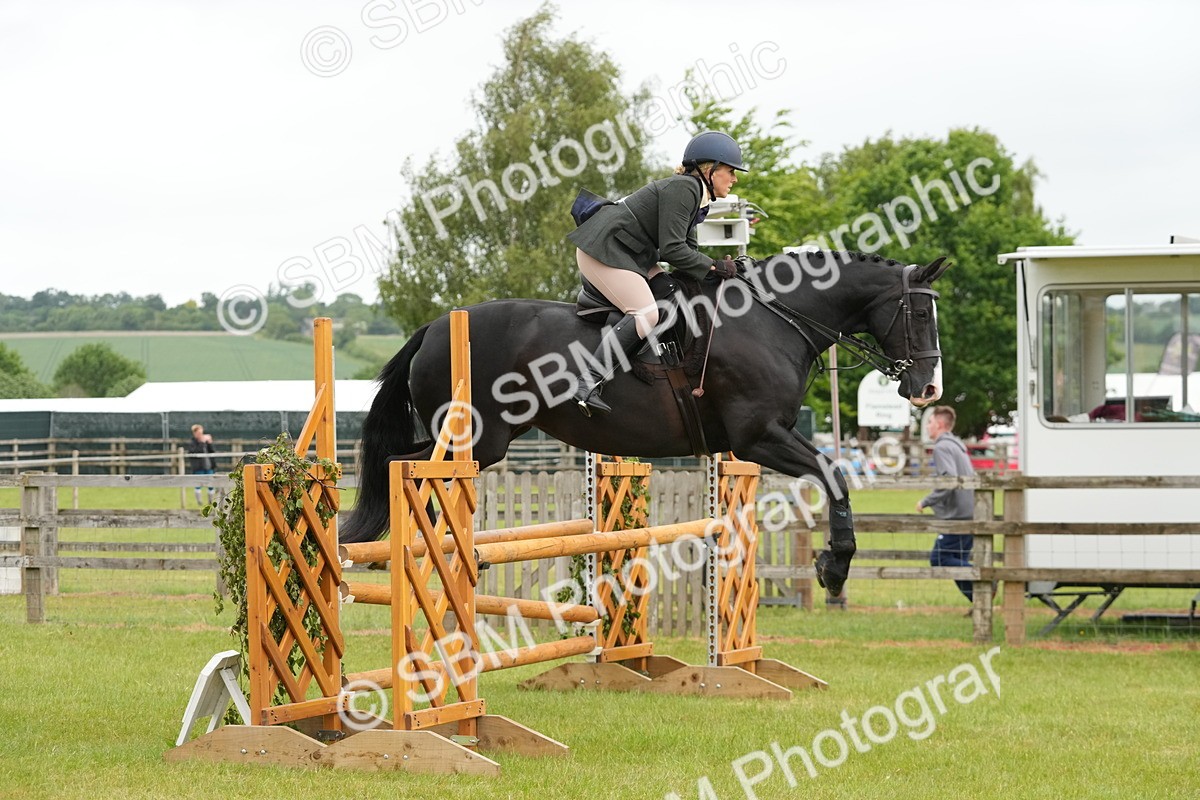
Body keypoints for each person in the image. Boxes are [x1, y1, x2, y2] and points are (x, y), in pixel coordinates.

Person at [567, 130, 748, 416]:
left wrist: (719, 271)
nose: (734, 179)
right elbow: (674, 250)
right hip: (604, 249)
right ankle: (587, 382)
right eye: (730, 171)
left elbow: (687, 251)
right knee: (646, 313)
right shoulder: (684, 189)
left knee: (672, 293)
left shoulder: (697, 197)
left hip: (632, 254)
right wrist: (714, 265)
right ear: (709, 169)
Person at [916, 406, 977, 602]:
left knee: (939, 559)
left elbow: (948, 482)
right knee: (959, 562)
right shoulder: (957, 445)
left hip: (957, 516)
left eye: (930, 422)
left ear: (940, 424)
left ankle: (985, 578)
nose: (927, 426)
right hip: (969, 512)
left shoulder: (942, 447)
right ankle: (979, 601)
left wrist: (925, 501)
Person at [186, 424, 216, 506]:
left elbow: (212, 452)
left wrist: (210, 443)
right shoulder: (192, 443)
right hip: (199, 467)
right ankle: (199, 502)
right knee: (198, 484)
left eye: (201, 433)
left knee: (211, 484)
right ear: (194, 433)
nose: (201, 435)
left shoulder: (205, 442)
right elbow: (195, 452)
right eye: (199, 433)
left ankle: (210, 502)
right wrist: (202, 442)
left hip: (209, 466)